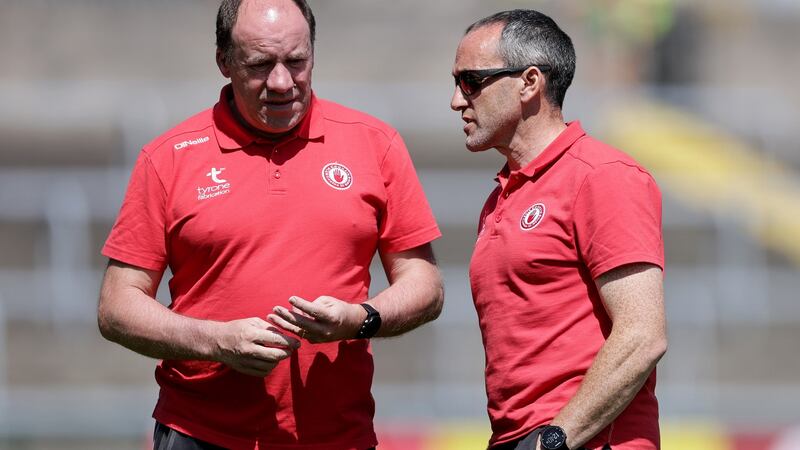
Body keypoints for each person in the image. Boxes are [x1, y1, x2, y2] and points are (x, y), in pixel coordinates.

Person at [97, 0, 444, 449]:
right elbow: (116, 305)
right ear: (224, 62)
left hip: (339, 436)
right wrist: (216, 341)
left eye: (296, 61)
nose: (282, 83)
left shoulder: (374, 144)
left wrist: (360, 319)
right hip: (201, 434)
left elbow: (425, 283)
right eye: (260, 65)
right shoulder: (168, 158)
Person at [450, 10, 667, 450]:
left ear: (529, 82)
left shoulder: (602, 175)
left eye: (471, 81)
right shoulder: (501, 196)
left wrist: (553, 441)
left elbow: (643, 335)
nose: (456, 100)